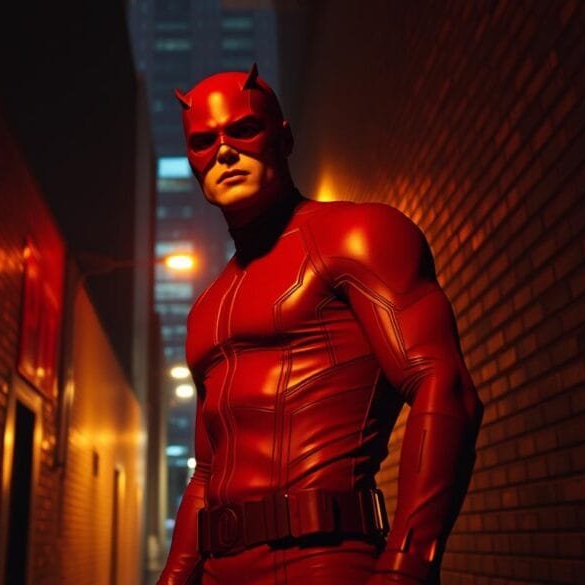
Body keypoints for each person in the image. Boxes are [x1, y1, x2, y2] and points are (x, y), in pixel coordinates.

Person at [157, 64, 484, 585]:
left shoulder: (356, 235)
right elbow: (209, 470)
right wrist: (174, 576)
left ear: (283, 138)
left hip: (325, 560)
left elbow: (443, 387)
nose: (222, 151)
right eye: (202, 141)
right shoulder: (206, 310)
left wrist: (407, 564)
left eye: (242, 130)